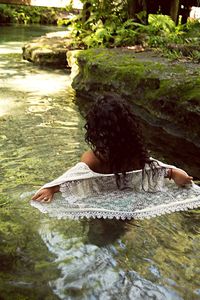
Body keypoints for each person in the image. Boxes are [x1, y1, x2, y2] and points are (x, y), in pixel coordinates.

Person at [32, 93, 193, 203]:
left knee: (97, 234)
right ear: (130, 127)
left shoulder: (92, 159)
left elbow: (72, 178)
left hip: (100, 206)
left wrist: (51, 189)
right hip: (130, 206)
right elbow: (156, 168)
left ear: (94, 129)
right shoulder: (137, 156)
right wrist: (173, 172)